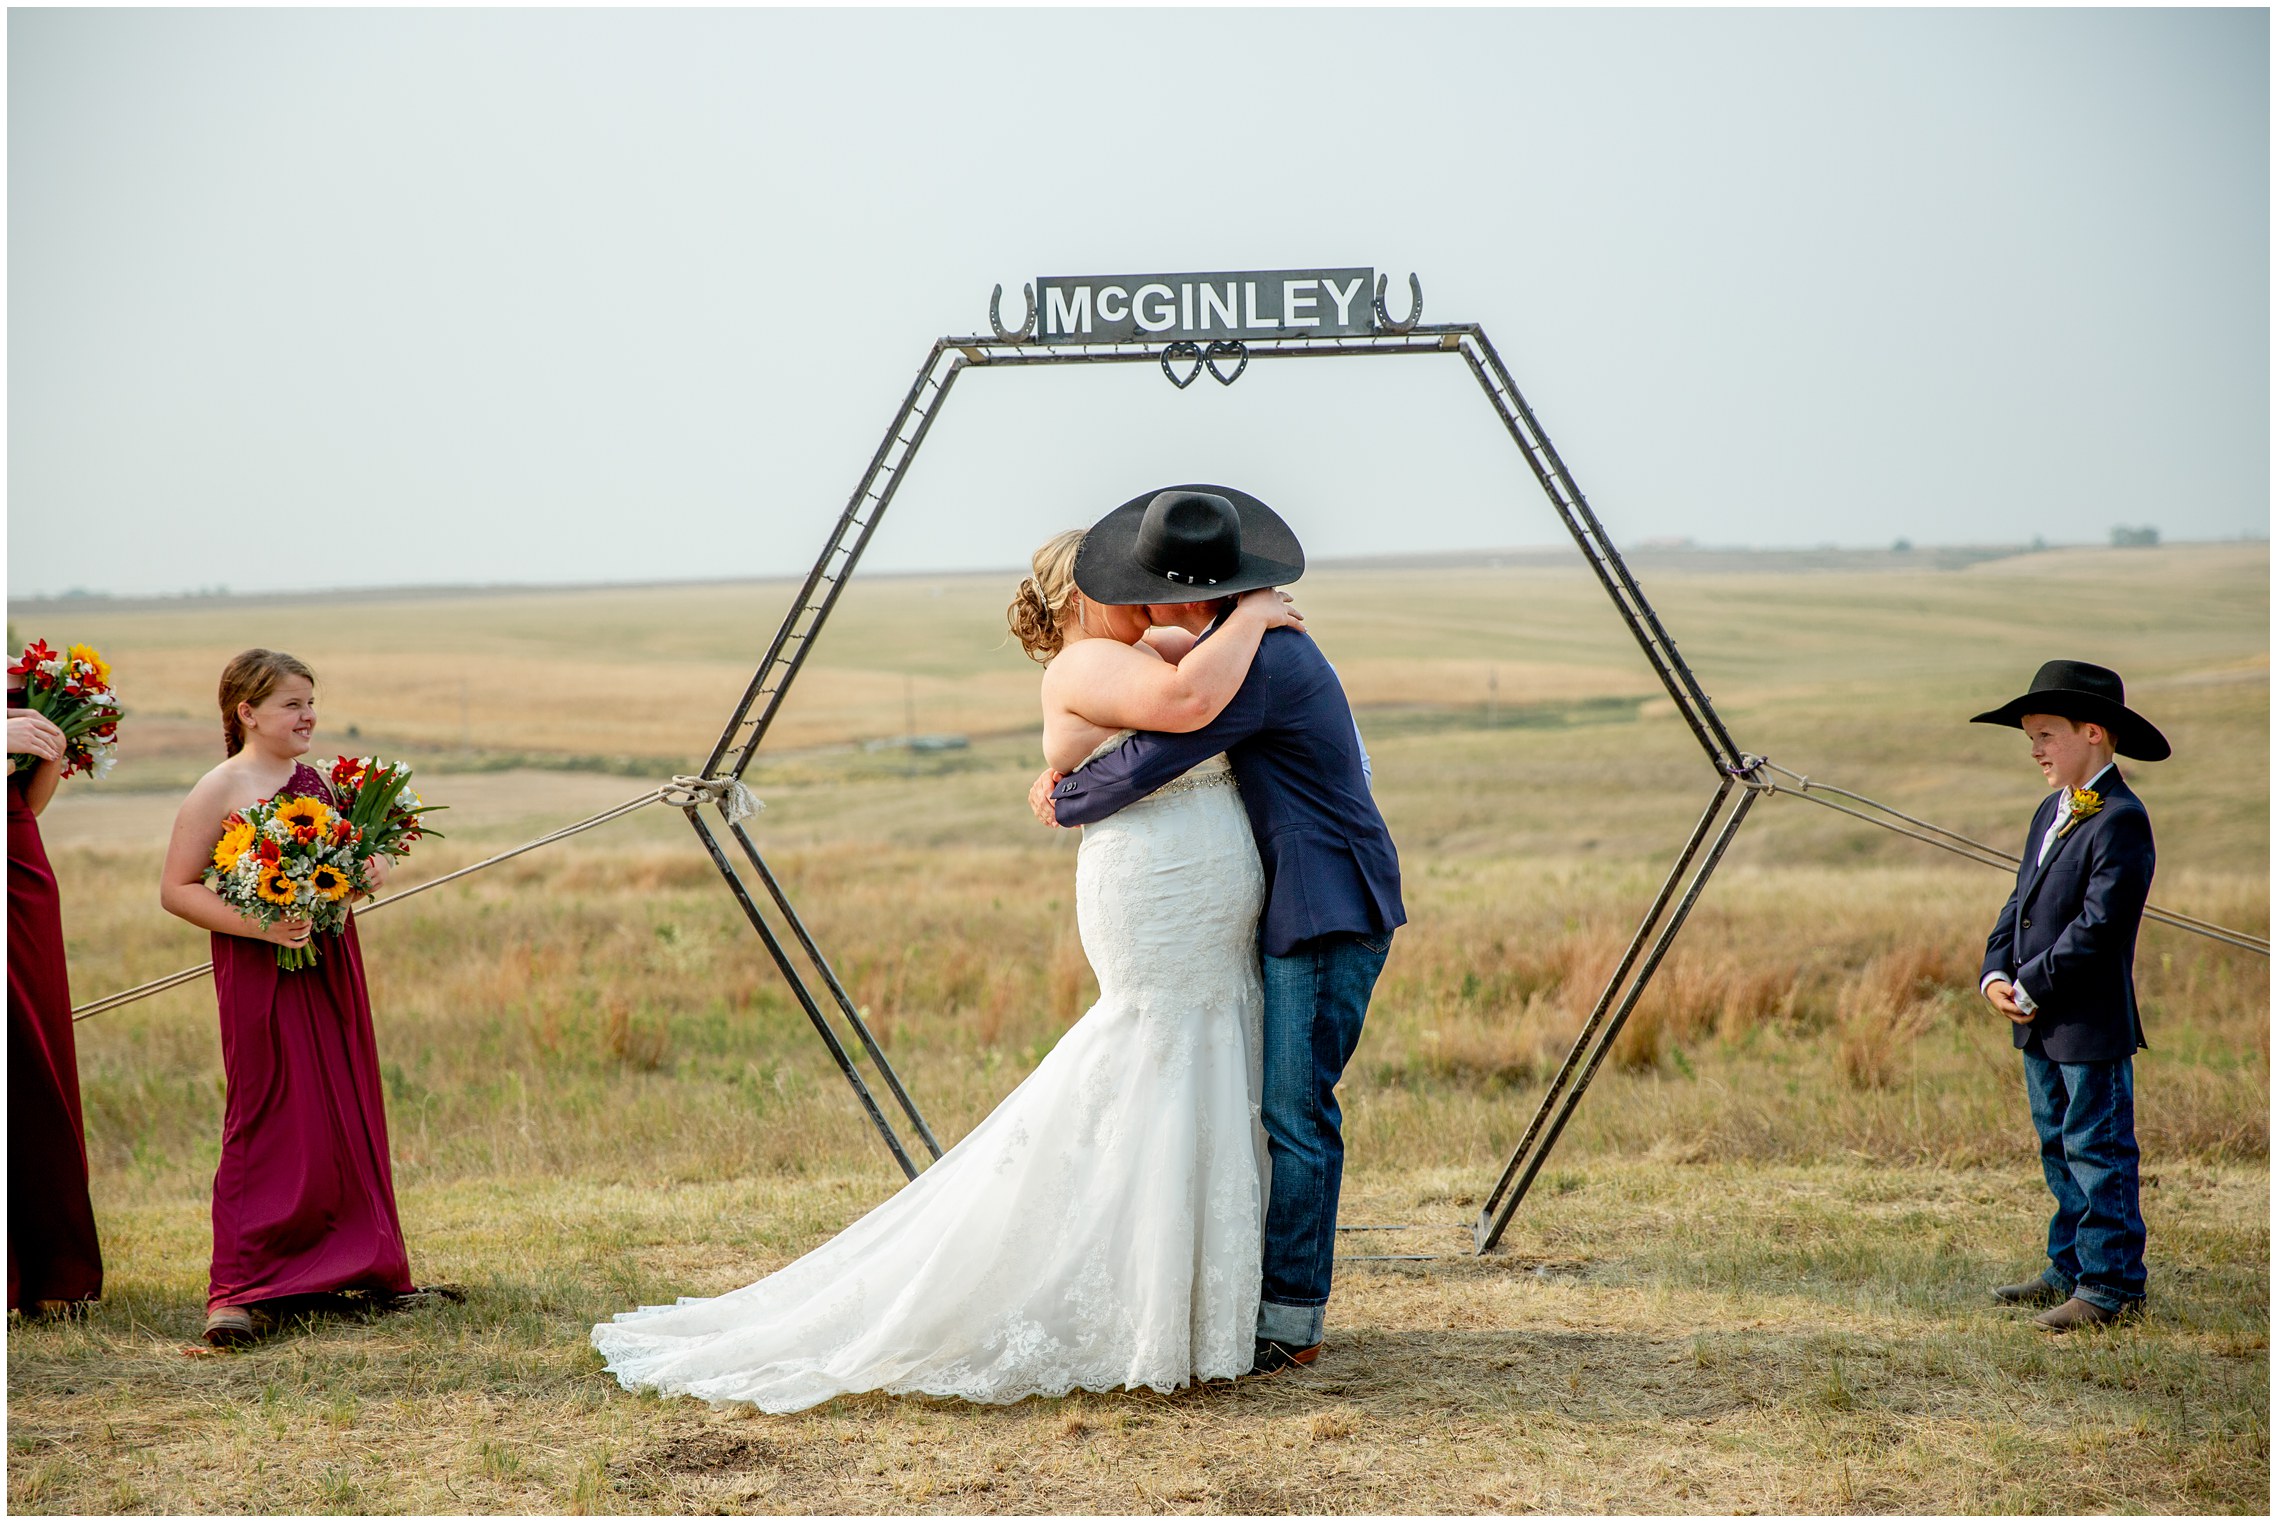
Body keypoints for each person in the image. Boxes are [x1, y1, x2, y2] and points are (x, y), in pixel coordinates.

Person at [589, 518, 1305, 1410]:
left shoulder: (1141, 645)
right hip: (1157, 892)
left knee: (1205, 1054)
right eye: (1125, 579)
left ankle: (1196, 1303)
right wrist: (1256, 615)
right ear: (1084, 593)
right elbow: (1191, 704)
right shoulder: (1083, 664)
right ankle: (1132, 1299)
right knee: (1151, 1055)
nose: (1147, 591)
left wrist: (1232, 616)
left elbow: (1191, 658)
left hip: (1203, 892)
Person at [1036, 485, 1404, 1375]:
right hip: (1309, 900)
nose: (1136, 599)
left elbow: (1157, 753)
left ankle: (1288, 1318)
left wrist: (1062, 791)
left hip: (1325, 905)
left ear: (1184, 593)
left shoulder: (1257, 664)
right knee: (1280, 1103)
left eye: (1147, 584)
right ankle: (1265, 1303)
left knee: (1294, 1110)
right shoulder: (1233, 646)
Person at [160, 649, 416, 1347]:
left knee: (342, 1100)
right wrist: (264, 924)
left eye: (311, 701)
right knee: (267, 1107)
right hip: (258, 968)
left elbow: (366, 857)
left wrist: (370, 867)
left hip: (329, 960)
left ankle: (360, 1260)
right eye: (292, 704)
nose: (308, 715)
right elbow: (176, 889)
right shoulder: (219, 788)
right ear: (247, 712)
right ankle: (238, 1286)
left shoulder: (321, 781)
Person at [1973, 659, 2165, 1332]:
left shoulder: (2120, 818)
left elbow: (2098, 925)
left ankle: (2109, 1285)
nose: (2034, 749)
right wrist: (1994, 972)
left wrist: (2031, 983)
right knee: (2056, 1144)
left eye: (2045, 733)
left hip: (2085, 1019)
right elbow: (2017, 901)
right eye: (2029, 735)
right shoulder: (2047, 812)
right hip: (2035, 1018)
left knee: (2096, 1146)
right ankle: (2066, 1264)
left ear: (2093, 732)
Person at [8, 701, 104, 1320]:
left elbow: (26, 805)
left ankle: (47, 1267)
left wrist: (52, 748)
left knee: (34, 1061)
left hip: (20, 871)